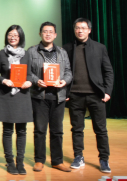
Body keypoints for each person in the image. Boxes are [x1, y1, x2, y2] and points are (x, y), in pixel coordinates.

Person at [64, 17, 114, 174]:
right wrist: (65, 92)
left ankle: (104, 159)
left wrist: (107, 91)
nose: (80, 31)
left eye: (83, 28)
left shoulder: (99, 48)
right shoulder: (67, 48)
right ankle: (78, 157)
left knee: (101, 130)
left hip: (96, 95)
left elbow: (108, 71)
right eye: (77, 28)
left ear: (89, 30)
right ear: (74, 30)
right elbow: (63, 72)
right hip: (75, 95)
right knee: (77, 129)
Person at [26, 21, 72, 173]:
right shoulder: (32, 51)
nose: (48, 34)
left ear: (55, 35)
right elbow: (27, 72)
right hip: (40, 96)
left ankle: (57, 161)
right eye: (45, 31)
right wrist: (36, 80)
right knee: (40, 130)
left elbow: (68, 72)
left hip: (58, 96)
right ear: (40, 34)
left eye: (51, 32)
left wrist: (64, 81)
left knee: (57, 130)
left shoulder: (62, 52)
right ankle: (39, 160)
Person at [0, 25, 33, 176]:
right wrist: (4, 80)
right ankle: (10, 162)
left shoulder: (26, 54)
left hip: (22, 95)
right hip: (7, 95)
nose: (13, 37)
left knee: (22, 131)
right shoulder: (0, 54)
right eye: (10, 34)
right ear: (7, 36)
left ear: (20, 37)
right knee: (8, 130)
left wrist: (29, 82)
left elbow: (29, 74)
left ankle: (20, 162)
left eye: (16, 35)